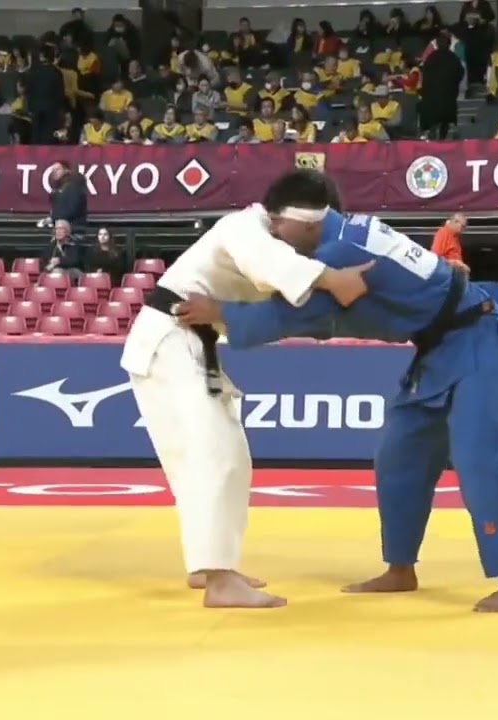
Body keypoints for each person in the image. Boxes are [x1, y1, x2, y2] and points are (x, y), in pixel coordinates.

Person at [174, 170, 498, 613]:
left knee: (480, 460)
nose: (275, 237)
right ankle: (400, 569)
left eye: (278, 226)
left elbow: (297, 314)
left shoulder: (342, 252)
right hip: (438, 346)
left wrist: (220, 311)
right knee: (399, 457)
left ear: (306, 222)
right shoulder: (342, 237)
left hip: (479, 336)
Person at [119, 178, 376, 610]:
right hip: (169, 340)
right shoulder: (244, 227)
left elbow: (280, 303)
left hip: (189, 344)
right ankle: (219, 579)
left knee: (221, 458)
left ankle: (209, 565)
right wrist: (332, 279)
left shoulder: (282, 248)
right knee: (215, 454)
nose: (316, 242)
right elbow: (267, 262)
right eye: (313, 231)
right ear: (287, 220)